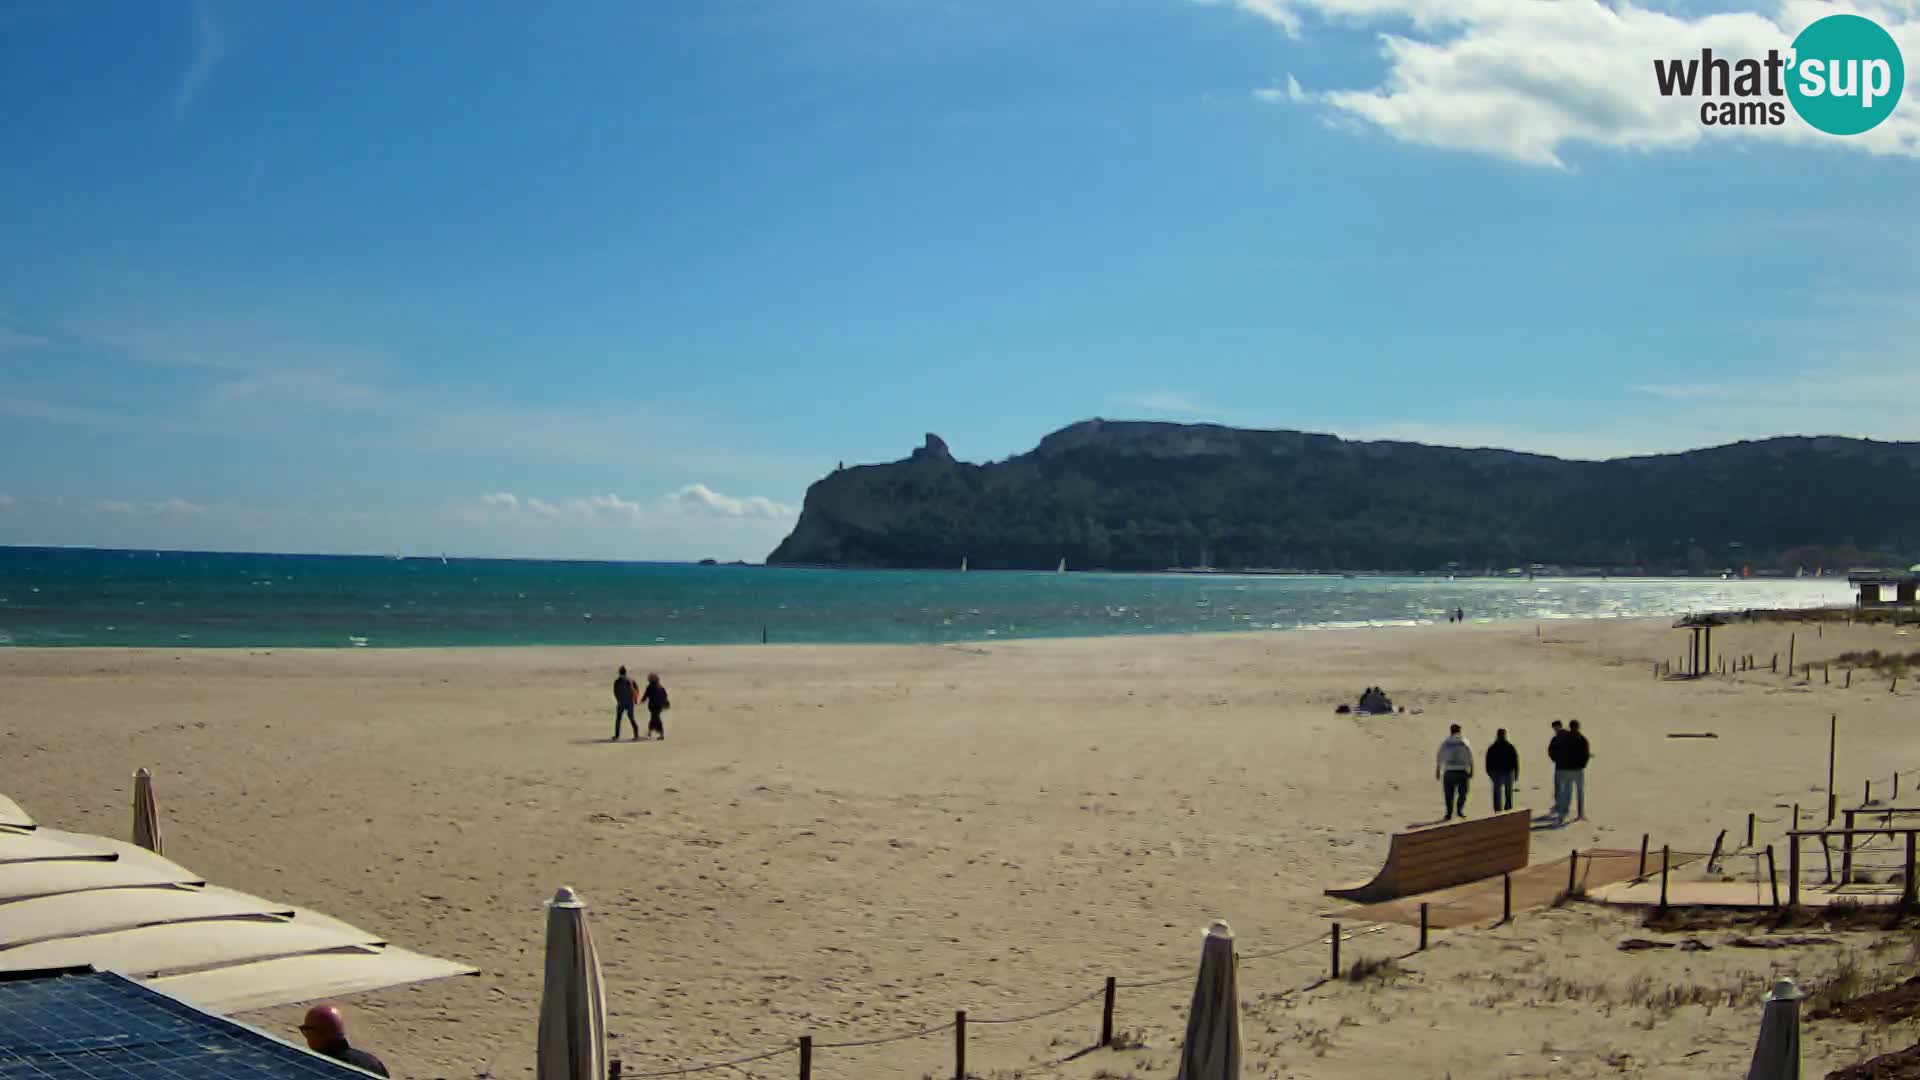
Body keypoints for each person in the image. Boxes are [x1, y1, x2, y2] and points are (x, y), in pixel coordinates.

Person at [300, 1003, 389, 1077]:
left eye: (306, 1031)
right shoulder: (374, 1063)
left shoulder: (318, 1071)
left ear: (319, 1033)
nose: (306, 1036)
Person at [1435, 723, 1474, 820]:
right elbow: (1470, 756)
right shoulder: (1464, 742)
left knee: (1449, 794)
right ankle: (1459, 810)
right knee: (1463, 793)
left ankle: (1449, 813)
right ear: (1459, 731)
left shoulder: (1446, 742)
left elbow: (1440, 756)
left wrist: (1438, 769)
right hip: (1462, 771)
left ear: (1451, 731)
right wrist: (1472, 769)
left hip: (1449, 771)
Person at [1485, 727, 1519, 812]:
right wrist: (1516, 773)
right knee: (1508, 793)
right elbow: (1515, 761)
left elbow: (1488, 761)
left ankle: (1498, 811)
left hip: (1497, 773)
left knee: (1497, 794)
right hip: (1508, 772)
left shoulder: (1492, 747)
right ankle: (1508, 810)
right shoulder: (1510, 746)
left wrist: (1489, 773)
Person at [1563, 719, 1591, 820]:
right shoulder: (1582, 739)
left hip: (1567, 768)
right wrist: (1583, 765)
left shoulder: (1565, 738)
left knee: (1567, 791)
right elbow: (1586, 754)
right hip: (1577, 769)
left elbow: (1560, 752)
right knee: (1579, 792)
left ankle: (1565, 812)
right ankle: (1580, 813)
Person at [1546, 720, 1572, 820]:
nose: (1555, 730)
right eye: (1554, 729)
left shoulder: (1566, 737)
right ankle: (1560, 805)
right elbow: (1551, 750)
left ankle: (1564, 807)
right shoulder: (1557, 738)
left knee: (1564, 788)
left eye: (1556, 728)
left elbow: (1551, 750)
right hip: (1561, 766)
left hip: (1565, 767)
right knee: (1560, 787)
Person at [612, 666, 639, 741]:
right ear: (625, 672)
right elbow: (636, 690)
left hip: (621, 702)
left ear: (619, 672)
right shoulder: (631, 680)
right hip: (629, 702)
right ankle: (636, 735)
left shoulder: (617, 681)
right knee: (632, 718)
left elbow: (615, 691)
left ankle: (617, 736)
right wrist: (635, 699)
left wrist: (618, 700)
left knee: (618, 719)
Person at [642, 672, 670, 740]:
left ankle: (655, 733)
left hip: (653, 706)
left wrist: (642, 701)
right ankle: (654, 733)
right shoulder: (660, 687)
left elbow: (646, 696)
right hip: (658, 706)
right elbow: (665, 696)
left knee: (655, 719)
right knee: (655, 718)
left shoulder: (650, 687)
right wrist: (666, 703)